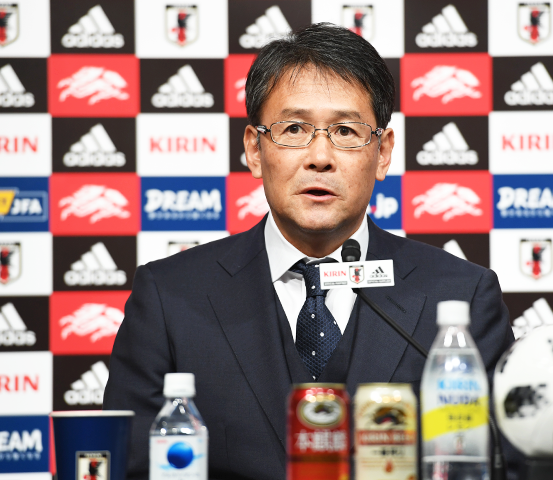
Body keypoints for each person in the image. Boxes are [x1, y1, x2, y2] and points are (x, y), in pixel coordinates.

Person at [104, 23, 515, 480]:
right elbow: (129, 466)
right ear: (254, 150)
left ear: (382, 153)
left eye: (345, 130)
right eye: (295, 128)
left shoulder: (460, 295)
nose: (320, 156)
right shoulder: (170, 296)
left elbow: (500, 463)